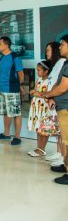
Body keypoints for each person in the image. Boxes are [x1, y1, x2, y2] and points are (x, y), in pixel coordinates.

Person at [43, 34, 68, 185]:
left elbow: (63, 87)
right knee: (65, 140)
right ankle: (66, 165)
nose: (59, 47)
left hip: (66, 107)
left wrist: (47, 95)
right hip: (62, 106)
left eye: (62, 44)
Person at [0, 37, 24, 146]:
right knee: (6, 113)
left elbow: (21, 74)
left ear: (6, 45)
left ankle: (17, 137)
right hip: (3, 89)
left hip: (12, 89)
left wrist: (18, 86)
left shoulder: (15, 57)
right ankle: (6, 134)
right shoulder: (2, 58)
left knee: (16, 113)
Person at [27, 60, 52, 157]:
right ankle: (39, 148)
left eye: (39, 70)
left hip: (45, 108)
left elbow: (49, 94)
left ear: (46, 71)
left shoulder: (50, 81)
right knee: (38, 128)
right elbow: (37, 89)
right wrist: (33, 91)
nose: (37, 72)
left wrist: (39, 94)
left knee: (45, 129)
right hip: (37, 108)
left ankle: (42, 149)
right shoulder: (39, 79)